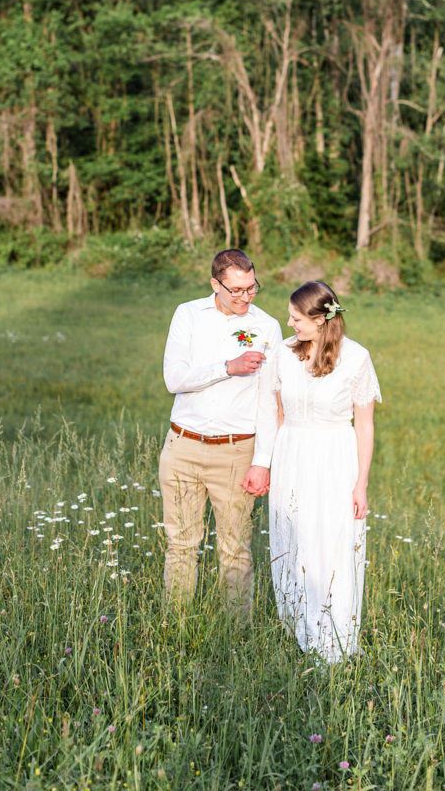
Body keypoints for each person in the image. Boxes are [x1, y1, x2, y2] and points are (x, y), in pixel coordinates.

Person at [159, 248, 282, 615]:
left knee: (235, 548)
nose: (245, 297)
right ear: (215, 284)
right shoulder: (188, 315)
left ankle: (235, 636)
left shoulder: (267, 326)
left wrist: (262, 462)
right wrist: (227, 367)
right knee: (181, 544)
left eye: (252, 288)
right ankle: (175, 627)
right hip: (183, 446)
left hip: (236, 451)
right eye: (236, 290)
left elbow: (270, 401)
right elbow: (173, 379)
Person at [268, 280, 381, 662]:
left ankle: (333, 638)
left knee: (329, 545)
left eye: (297, 317)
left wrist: (360, 485)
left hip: (334, 458)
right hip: (292, 454)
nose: (290, 322)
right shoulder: (283, 354)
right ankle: (297, 628)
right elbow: (278, 414)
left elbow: (364, 426)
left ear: (320, 319)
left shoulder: (356, 358)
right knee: (295, 539)